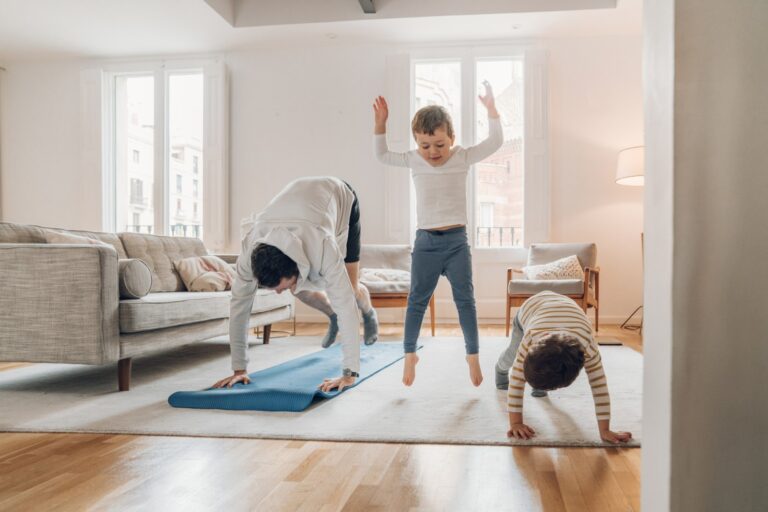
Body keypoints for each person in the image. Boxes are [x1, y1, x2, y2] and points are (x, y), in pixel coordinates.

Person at [372, 81, 503, 387]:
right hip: (426, 243)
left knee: (465, 300)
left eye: (440, 145)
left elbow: (495, 142)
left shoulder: (462, 157)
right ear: (417, 143)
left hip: (457, 242)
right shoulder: (412, 159)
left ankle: (472, 355)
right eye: (425, 145)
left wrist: (492, 111)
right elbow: (381, 155)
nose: (433, 152)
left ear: (451, 139)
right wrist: (380, 124)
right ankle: (409, 355)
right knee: (416, 300)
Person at [212, 176, 379, 392]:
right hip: (299, 205)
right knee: (298, 288)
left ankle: (369, 313)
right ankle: (331, 315)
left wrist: (349, 374)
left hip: (340, 198)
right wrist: (239, 369)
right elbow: (239, 308)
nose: (279, 293)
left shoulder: (323, 245)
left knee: (351, 289)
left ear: (295, 267)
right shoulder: (249, 250)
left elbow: (345, 303)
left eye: (281, 286)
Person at [496, 291, 633, 444]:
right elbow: (516, 379)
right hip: (530, 309)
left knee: (546, 372)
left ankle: (540, 386)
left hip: (563, 309)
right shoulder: (531, 337)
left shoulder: (588, 347)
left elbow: (599, 386)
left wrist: (605, 430)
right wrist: (515, 423)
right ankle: (500, 369)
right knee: (512, 354)